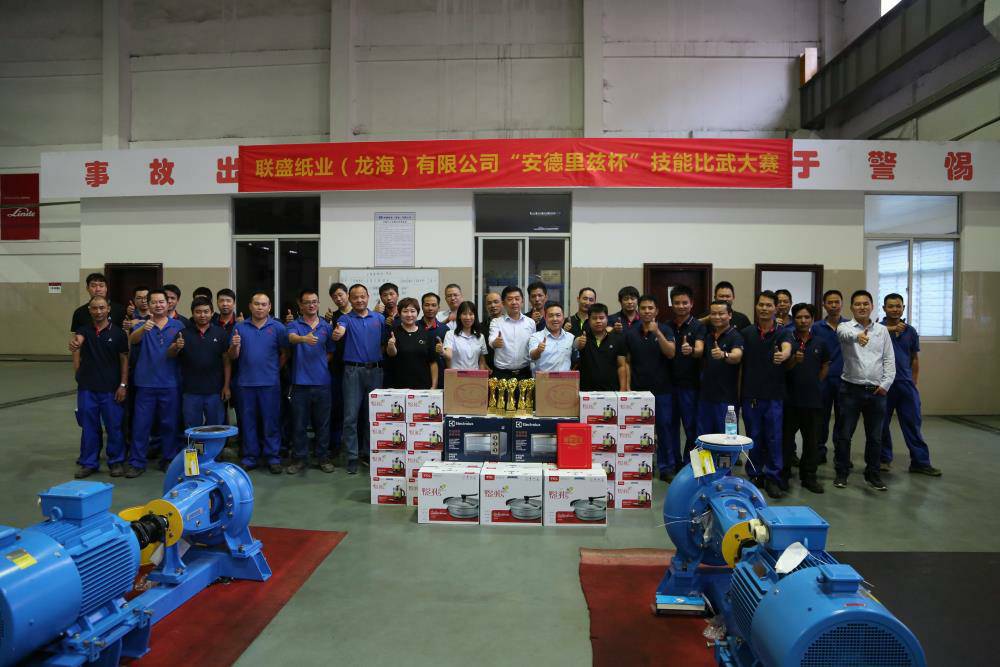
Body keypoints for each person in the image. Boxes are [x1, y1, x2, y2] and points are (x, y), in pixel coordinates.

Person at [834, 290, 895, 492]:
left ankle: (873, 475)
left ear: (872, 306)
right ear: (852, 307)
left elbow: (889, 359)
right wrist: (857, 336)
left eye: (866, 303)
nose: (862, 307)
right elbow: (844, 336)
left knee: (875, 436)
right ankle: (842, 473)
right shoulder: (845, 327)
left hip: (876, 392)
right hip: (850, 390)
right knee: (844, 435)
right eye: (858, 304)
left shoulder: (882, 331)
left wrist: (885, 385)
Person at [879, 294, 941, 477]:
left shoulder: (910, 331)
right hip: (884, 384)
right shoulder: (878, 329)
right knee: (881, 424)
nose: (895, 309)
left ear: (903, 308)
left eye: (898, 306)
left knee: (913, 423)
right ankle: (883, 459)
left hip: (905, 385)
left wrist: (913, 381)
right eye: (891, 306)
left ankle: (920, 462)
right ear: (884, 308)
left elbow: (914, 358)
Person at [739, 290, 792, 499]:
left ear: (775, 308)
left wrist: (784, 354)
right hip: (751, 394)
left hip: (774, 395)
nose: (764, 308)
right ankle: (755, 474)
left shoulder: (782, 333)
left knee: (773, 438)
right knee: (754, 437)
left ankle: (773, 477)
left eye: (769, 305)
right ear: (756, 306)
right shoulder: (746, 333)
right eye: (761, 304)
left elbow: (787, 348)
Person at [229, 292, 289, 475]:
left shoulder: (278, 328)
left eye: (264, 304)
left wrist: (274, 370)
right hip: (245, 383)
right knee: (248, 422)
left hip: (270, 384)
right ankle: (250, 457)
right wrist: (235, 346)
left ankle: (273, 457)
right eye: (256, 304)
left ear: (269, 307)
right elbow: (232, 356)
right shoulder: (240, 327)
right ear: (250, 306)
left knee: (271, 422)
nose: (260, 307)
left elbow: (285, 353)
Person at [331, 284, 388, 474]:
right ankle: (352, 456)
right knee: (350, 416)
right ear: (350, 298)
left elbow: (385, 342)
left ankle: (368, 453)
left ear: (368, 297)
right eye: (355, 297)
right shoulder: (345, 319)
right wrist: (338, 333)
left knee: (372, 416)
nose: (359, 300)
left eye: (362, 296)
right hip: (353, 372)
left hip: (376, 371)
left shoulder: (379, 319)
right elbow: (340, 330)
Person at [128, 289, 185, 477]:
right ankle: (137, 462)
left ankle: (168, 459)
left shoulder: (178, 325)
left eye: (162, 302)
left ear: (168, 304)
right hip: (145, 383)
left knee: (170, 424)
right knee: (141, 425)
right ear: (149, 305)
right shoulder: (142, 324)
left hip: (170, 383)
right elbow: (132, 340)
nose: (158, 305)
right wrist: (143, 329)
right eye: (154, 302)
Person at [71, 296, 128, 478]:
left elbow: (124, 360)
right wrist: (75, 344)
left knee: (114, 427)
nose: (98, 311)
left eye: (102, 307)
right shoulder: (84, 330)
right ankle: (89, 463)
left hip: (111, 389)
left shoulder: (118, 333)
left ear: (108, 309)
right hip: (87, 389)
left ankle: (116, 461)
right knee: (89, 427)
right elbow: (77, 341)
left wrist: (123, 384)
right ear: (90, 310)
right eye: (94, 308)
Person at [624, 295, 676, 480]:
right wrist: (627, 386)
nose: (647, 311)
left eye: (650, 308)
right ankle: (642, 466)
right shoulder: (631, 333)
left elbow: (671, 353)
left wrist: (658, 333)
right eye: (644, 308)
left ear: (656, 311)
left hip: (662, 390)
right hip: (638, 391)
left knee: (664, 429)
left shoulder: (666, 329)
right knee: (639, 431)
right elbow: (627, 362)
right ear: (639, 311)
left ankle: (666, 468)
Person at [285, 289, 336, 475]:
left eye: (314, 301)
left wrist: (319, 364)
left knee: (323, 424)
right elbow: (291, 338)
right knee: (299, 424)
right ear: (300, 305)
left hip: (322, 383)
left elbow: (330, 351)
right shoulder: (294, 325)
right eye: (307, 302)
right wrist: (303, 339)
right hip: (300, 384)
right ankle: (300, 459)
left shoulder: (326, 326)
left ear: (318, 303)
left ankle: (323, 457)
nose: (311, 305)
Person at [781, 303, 829, 494]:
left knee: (812, 442)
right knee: (785, 441)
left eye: (807, 317)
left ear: (812, 320)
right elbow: (782, 368)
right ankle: (783, 475)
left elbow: (825, 365)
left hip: (812, 400)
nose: (803, 320)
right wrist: (794, 360)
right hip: (789, 400)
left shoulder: (820, 342)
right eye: (799, 317)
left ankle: (809, 477)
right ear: (793, 319)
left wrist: (815, 382)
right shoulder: (786, 340)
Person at [173, 297, 230, 432]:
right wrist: (176, 347)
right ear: (192, 313)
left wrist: (226, 386)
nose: (202, 315)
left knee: (216, 428)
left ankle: (214, 448)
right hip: (190, 391)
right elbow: (171, 356)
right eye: (198, 312)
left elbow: (227, 361)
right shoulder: (183, 334)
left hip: (215, 391)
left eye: (206, 311)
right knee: (193, 430)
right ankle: (196, 448)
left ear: (212, 313)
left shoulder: (221, 333)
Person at [668, 285, 705, 463]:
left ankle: (690, 465)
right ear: (672, 304)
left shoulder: (698, 326)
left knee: (691, 427)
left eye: (685, 302)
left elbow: (700, 350)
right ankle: (674, 463)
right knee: (670, 426)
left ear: (692, 304)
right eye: (677, 303)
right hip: (668, 385)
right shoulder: (666, 326)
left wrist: (691, 350)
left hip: (690, 386)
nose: (681, 306)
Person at [811, 289, 847, 464]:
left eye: (837, 302)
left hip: (845, 380)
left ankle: (842, 454)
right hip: (823, 379)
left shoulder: (850, 326)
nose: (833, 305)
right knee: (821, 419)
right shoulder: (816, 327)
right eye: (830, 302)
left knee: (843, 419)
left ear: (842, 304)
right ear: (824, 305)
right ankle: (819, 451)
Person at [697, 300, 744, 435]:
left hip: (726, 399)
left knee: (726, 438)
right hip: (706, 397)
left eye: (721, 313)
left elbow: (737, 356)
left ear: (730, 315)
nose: (717, 317)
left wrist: (724, 354)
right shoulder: (709, 336)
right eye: (713, 314)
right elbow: (695, 324)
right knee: (704, 438)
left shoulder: (735, 336)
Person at [387, 297, 439, 390]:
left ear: (417, 313)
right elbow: (391, 354)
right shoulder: (393, 332)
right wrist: (391, 345)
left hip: (422, 387)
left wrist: (434, 386)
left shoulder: (426, 334)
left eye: (412, 311)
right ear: (399, 313)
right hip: (398, 387)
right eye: (405, 311)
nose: (409, 314)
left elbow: (433, 362)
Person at [488, 286, 537, 380]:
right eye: (510, 299)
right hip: (502, 374)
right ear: (503, 303)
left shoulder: (530, 323)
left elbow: (532, 346)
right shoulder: (496, 322)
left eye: (517, 299)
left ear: (522, 301)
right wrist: (495, 343)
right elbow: (492, 340)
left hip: (525, 374)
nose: (514, 302)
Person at [575, 303, 627, 391]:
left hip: (611, 391)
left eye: (601, 318)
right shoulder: (582, 339)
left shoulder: (617, 339)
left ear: (607, 319)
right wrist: (578, 344)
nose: (598, 321)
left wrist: (622, 389)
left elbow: (621, 366)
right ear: (589, 320)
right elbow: (575, 350)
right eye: (594, 318)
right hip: (586, 391)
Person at [325, 282, 352, 458]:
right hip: (336, 368)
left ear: (347, 294)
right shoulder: (331, 317)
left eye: (341, 294)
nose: (338, 298)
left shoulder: (359, 314)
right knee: (336, 407)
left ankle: (357, 447)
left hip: (355, 367)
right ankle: (334, 445)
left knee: (355, 409)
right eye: (335, 296)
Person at [529, 301, 575, 373]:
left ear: (563, 318)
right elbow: (532, 356)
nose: (555, 319)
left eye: (558, 315)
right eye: (551, 316)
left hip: (565, 379)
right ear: (545, 318)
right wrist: (538, 350)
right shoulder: (536, 337)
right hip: (543, 379)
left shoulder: (570, 337)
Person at [443, 301, 488, 370]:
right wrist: (442, 352)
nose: (468, 317)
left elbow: (481, 362)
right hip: (456, 375)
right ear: (459, 316)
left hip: (475, 375)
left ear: (475, 316)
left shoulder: (480, 336)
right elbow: (449, 356)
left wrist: (482, 375)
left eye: (471, 314)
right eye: (464, 314)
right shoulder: (450, 334)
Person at [419, 292, 447, 387]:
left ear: (438, 308)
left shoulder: (445, 329)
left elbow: (448, 356)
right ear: (422, 307)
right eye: (427, 305)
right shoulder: (414, 327)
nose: (430, 308)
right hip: (419, 377)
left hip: (440, 377)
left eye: (434, 305)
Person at [480, 291, 504, 372]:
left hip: (506, 370)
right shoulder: (480, 327)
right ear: (486, 306)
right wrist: (483, 363)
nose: (493, 305)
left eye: (496, 302)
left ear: (502, 303)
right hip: (487, 369)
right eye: (489, 303)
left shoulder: (510, 324)